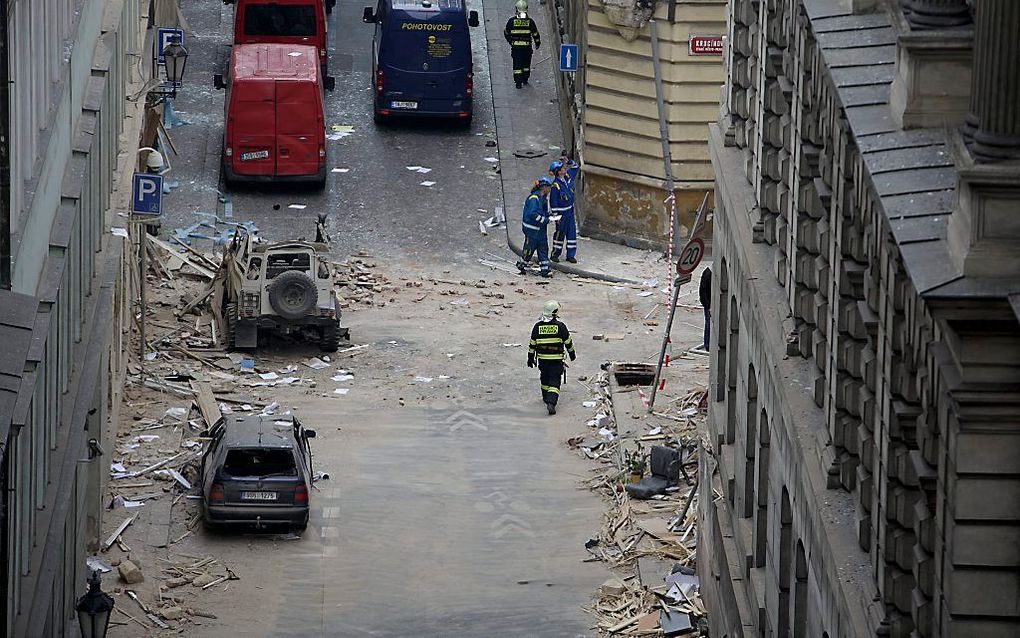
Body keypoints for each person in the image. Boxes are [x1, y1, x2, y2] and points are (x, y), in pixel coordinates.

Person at [528, 300, 576, 414]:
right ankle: (551, 403)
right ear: (554, 312)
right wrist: (572, 354)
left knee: (544, 378)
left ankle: (545, 397)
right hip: (556, 360)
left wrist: (530, 358)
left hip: (542, 360)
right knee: (554, 381)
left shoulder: (537, 327)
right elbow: (568, 342)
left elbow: (532, 344)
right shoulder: (560, 326)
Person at [517, 176, 555, 277]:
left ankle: (545, 270)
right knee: (529, 248)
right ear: (543, 187)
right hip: (532, 230)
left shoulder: (543, 199)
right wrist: (546, 220)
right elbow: (533, 214)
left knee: (543, 248)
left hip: (540, 230)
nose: (550, 189)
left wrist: (552, 217)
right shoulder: (534, 198)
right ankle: (522, 264)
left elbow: (545, 212)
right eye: (548, 187)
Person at [504, 0, 541, 89]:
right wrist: (537, 43)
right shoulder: (530, 22)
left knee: (517, 65)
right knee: (526, 64)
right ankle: (525, 78)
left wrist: (510, 41)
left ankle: (518, 82)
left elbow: (506, 33)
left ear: (516, 9)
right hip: (526, 47)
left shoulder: (511, 21)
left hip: (516, 48)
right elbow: (535, 34)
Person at [548, 160, 577, 263]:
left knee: (572, 234)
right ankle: (555, 254)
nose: (565, 169)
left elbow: (575, 167)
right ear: (559, 172)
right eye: (563, 168)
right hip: (561, 214)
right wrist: (556, 217)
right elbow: (553, 202)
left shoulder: (568, 178)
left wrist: (569, 161)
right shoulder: (555, 186)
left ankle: (571, 255)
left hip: (570, 212)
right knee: (560, 234)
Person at [691, 267, 711, 355]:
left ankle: (709, 344)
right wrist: (708, 306)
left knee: (709, 324)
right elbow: (703, 291)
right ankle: (708, 345)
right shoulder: (708, 274)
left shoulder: (708, 272)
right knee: (709, 324)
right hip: (709, 304)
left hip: (710, 303)